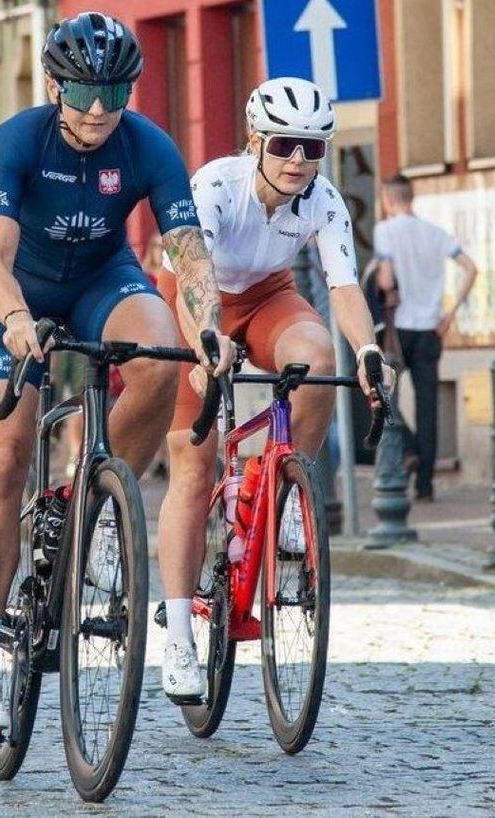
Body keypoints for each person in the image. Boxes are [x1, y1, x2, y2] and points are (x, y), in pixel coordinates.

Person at [0, 11, 235, 735]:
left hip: (100, 279)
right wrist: (17, 320)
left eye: (113, 95)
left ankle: (101, 500)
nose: (96, 111)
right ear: (56, 84)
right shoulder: (20, 138)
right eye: (82, 93)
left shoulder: (147, 145)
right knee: (4, 453)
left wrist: (207, 326)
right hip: (14, 293)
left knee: (158, 357)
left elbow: (187, 246)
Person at [155, 77, 386, 701]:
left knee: (315, 360)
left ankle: (283, 494)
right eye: (285, 144)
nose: (298, 161)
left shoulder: (322, 198)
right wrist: (205, 341)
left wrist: (366, 350)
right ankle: (178, 635)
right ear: (255, 140)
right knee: (193, 466)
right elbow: (191, 268)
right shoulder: (214, 185)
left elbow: (343, 287)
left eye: (313, 149)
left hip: (265, 298)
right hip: (193, 299)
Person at [373, 174, 479, 500]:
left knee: (380, 393)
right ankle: (425, 485)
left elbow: (387, 279)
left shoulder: (385, 231)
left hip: (398, 329)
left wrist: (381, 285)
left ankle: (409, 446)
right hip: (432, 328)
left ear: (388, 200)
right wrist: (450, 314)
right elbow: (471, 268)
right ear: (410, 197)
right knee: (428, 405)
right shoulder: (435, 233)